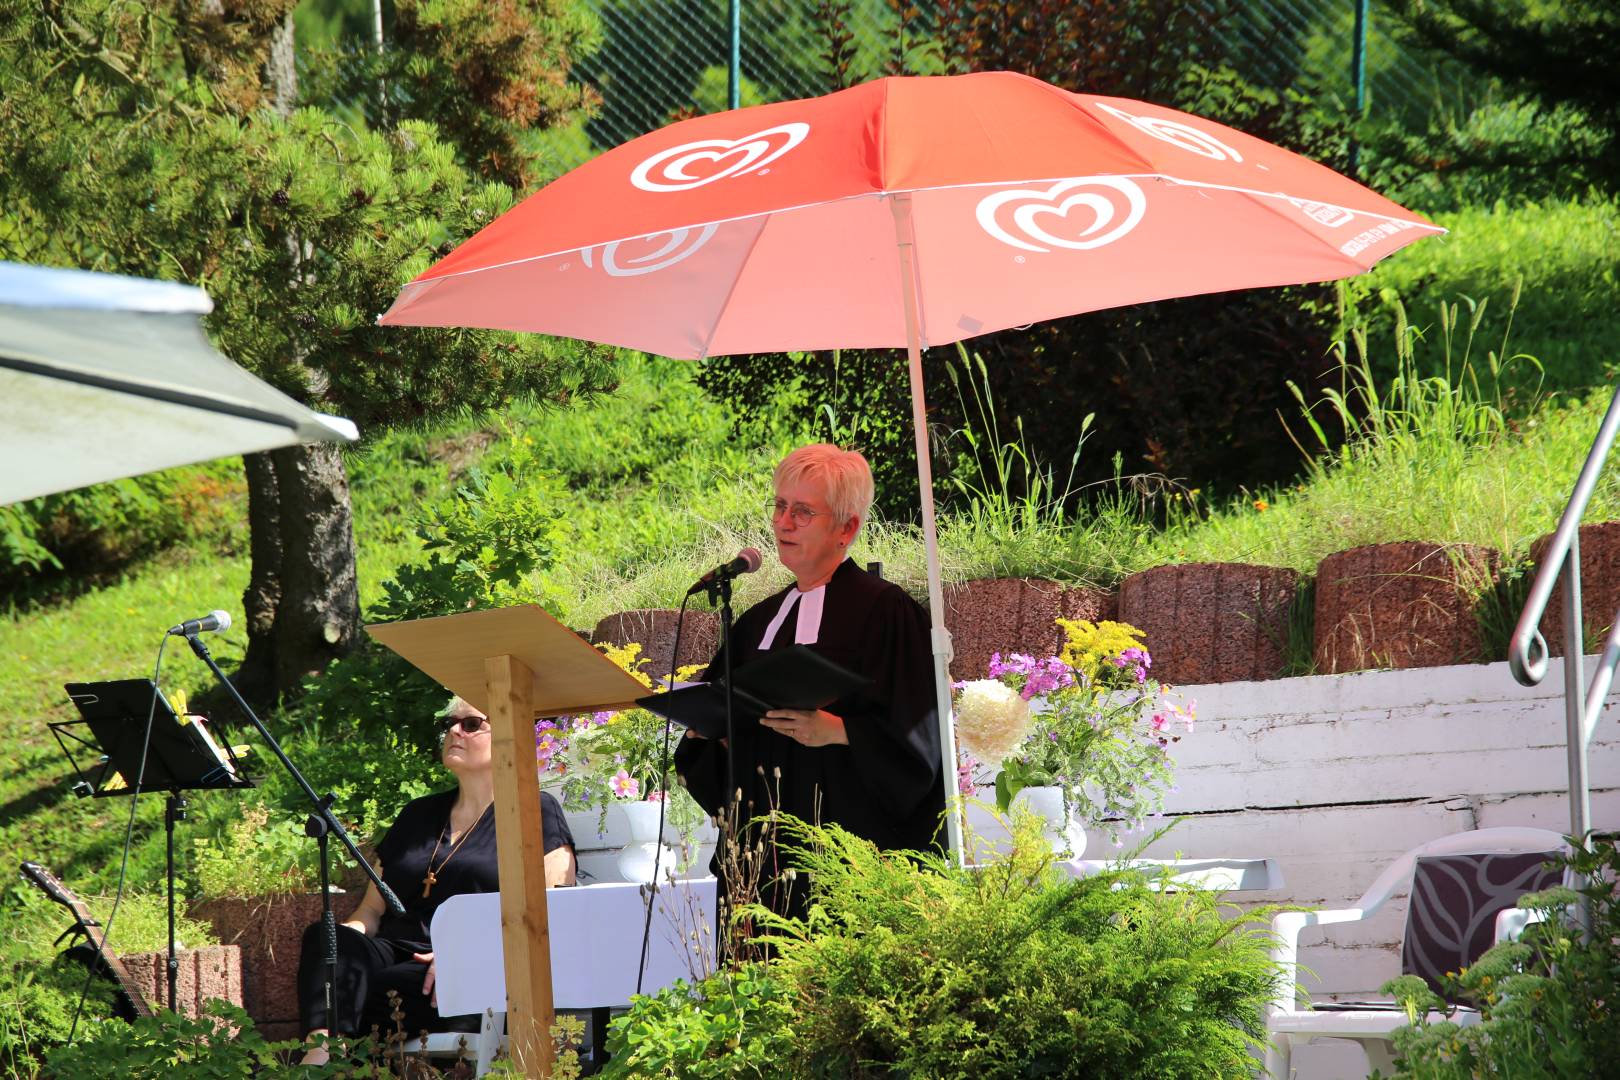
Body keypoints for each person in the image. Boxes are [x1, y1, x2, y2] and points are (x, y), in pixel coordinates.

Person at [674, 443, 945, 915]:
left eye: (802, 511)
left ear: (846, 528)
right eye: (780, 506)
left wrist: (839, 731)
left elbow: (919, 736)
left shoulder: (885, 611)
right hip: (762, 860)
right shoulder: (757, 622)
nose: (783, 522)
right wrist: (710, 734)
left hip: (850, 858)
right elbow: (715, 736)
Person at [297, 697, 576, 1063]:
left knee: (373, 989)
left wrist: (465, 953)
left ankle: (322, 1065)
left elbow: (553, 907)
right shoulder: (417, 814)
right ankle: (321, 1058)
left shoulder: (534, 809)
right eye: (449, 724)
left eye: (470, 724)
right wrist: (340, 946)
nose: (453, 732)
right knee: (327, 941)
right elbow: (370, 912)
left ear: (509, 737)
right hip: (393, 948)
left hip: (471, 966)